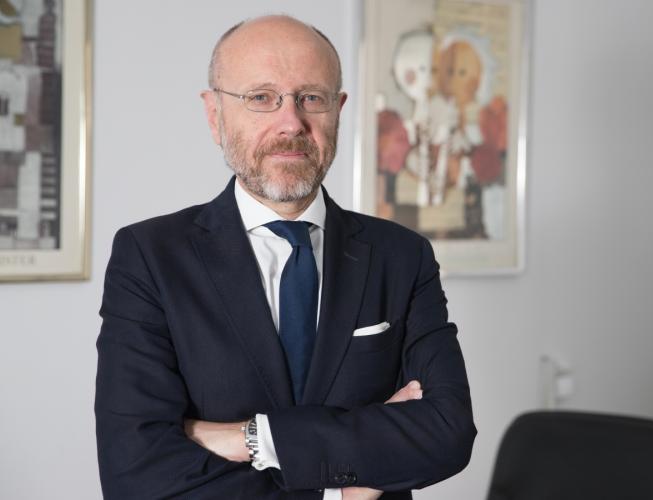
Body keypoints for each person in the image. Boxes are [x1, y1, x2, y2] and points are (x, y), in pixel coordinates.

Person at [94, 15, 476, 500]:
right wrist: (341, 488)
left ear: (338, 110)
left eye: (311, 98)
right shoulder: (150, 257)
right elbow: (134, 474)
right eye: (261, 97)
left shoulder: (402, 256)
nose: (291, 122)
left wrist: (251, 438)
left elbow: (447, 432)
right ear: (214, 114)